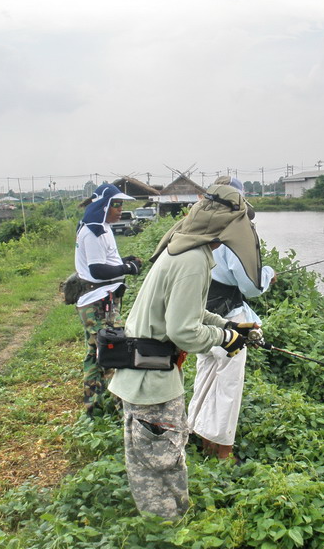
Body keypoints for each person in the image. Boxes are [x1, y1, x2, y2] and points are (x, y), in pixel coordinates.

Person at [108, 179, 262, 520]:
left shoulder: (184, 247)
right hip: (153, 384)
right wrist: (223, 339)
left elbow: (189, 312)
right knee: (162, 466)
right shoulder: (192, 260)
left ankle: (160, 524)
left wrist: (228, 326)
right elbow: (183, 330)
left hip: (142, 375)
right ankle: (166, 529)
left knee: (150, 462)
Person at [188, 178, 275, 460]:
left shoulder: (197, 226)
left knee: (204, 377)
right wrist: (267, 275)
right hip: (228, 320)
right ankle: (222, 452)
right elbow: (251, 286)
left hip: (201, 315)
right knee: (227, 386)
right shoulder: (237, 232)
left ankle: (194, 433)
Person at [75, 183, 142, 417]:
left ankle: (93, 406)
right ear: (103, 206)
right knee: (111, 352)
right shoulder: (94, 231)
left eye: (121, 204)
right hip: (97, 302)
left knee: (96, 353)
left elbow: (105, 261)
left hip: (101, 299)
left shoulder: (101, 228)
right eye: (116, 205)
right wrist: (128, 268)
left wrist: (124, 261)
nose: (120, 209)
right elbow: (97, 270)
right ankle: (116, 409)